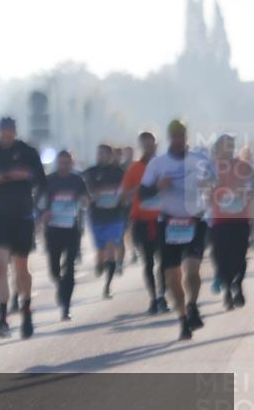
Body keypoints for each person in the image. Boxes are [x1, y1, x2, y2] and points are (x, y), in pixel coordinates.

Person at [139, 120, 213, 340]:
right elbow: (142, 195)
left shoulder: (200, 161)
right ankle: (182, 319)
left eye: (181, 135)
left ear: (186, 136)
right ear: (169, 138)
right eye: (174, 135)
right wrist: (157, 187)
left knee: (191, 271)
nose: (178, 139)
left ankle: (192, 305)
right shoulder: (157, 164)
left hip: (194, 220)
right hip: (168, 223)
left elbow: (213, 187)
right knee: (172, 279)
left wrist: (206, 189)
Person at [0, 117, 47, 339]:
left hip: (23, 216)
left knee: (21, 267)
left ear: (15, 132)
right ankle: (2, 318)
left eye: (10, 131)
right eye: (3, 131)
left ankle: (26, 309)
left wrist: (36, 207)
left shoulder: (27, 152)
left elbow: (42, 182)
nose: (6, 134)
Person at [120, 132, 169, 314]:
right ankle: (153, 297)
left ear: (157, 144)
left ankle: (163, 295)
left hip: (162, 221)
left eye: (152, 143)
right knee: (148, 262)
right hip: (141, 221)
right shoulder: (134, 169)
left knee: (164, 262)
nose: (149, 146)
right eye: (145, 144)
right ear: (141, 145)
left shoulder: (165, 166)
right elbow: (123, 196)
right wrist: (141, 190)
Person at [40, 151, 89, 320]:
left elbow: (86, 199)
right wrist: (43, 213)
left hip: (72, 228)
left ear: (72, 163)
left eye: (67, 163)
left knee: (70, 267)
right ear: (57, 163)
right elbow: (38, 202)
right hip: (53, 230)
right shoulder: (49, 180)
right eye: (61, 163)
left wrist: (84, 201)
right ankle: (60, 286)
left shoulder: (77, 180)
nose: (64, 166)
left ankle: (66, 306)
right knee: (54, 269)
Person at [209, 133, 252, 309]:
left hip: (240, 219)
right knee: (221, 257)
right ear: (218, 148)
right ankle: (227, 290)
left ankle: (238, 284)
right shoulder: (210, 168)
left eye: (231, 145)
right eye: (225, 145)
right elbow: (201, 192)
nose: (229, 149)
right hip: (219, 220)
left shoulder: (244, 167)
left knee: (240, 256)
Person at [83, 145, 126, 299]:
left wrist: (122, 198)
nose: (99, 156)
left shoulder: (118, 172)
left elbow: (125, 190)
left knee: (111, 248)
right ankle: (100, 264)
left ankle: (108, 286)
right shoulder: (91, 172)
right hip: (97, 217)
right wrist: (91, 195)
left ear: (109, 155)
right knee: (101, 252)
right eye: (98, 153)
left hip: (115, 217)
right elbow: (83, 190)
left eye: (103, 154)